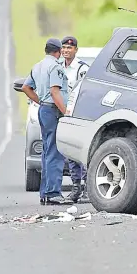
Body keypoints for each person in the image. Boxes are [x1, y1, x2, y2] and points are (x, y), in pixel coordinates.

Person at [22, 38, 72, 205]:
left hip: (44, 109)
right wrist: (65, 112)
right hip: (54, 110)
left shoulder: (37, 66)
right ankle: (53, 193)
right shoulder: (55, 67)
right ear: (57, 52)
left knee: (46, 150)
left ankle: (45, 192)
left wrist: (39, 101)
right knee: (55, 152)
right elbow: (55, 91)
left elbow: (26, 87)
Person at [58, 35, 90, 203]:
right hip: (63, 113)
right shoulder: (57, 67)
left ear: (76, 50)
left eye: (69, 48)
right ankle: (75, 187)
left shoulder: (82, 69)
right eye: (64, 47)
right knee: (69, 152)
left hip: (78, 114)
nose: (66, 50)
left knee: (81, 150)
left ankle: (86, 187)